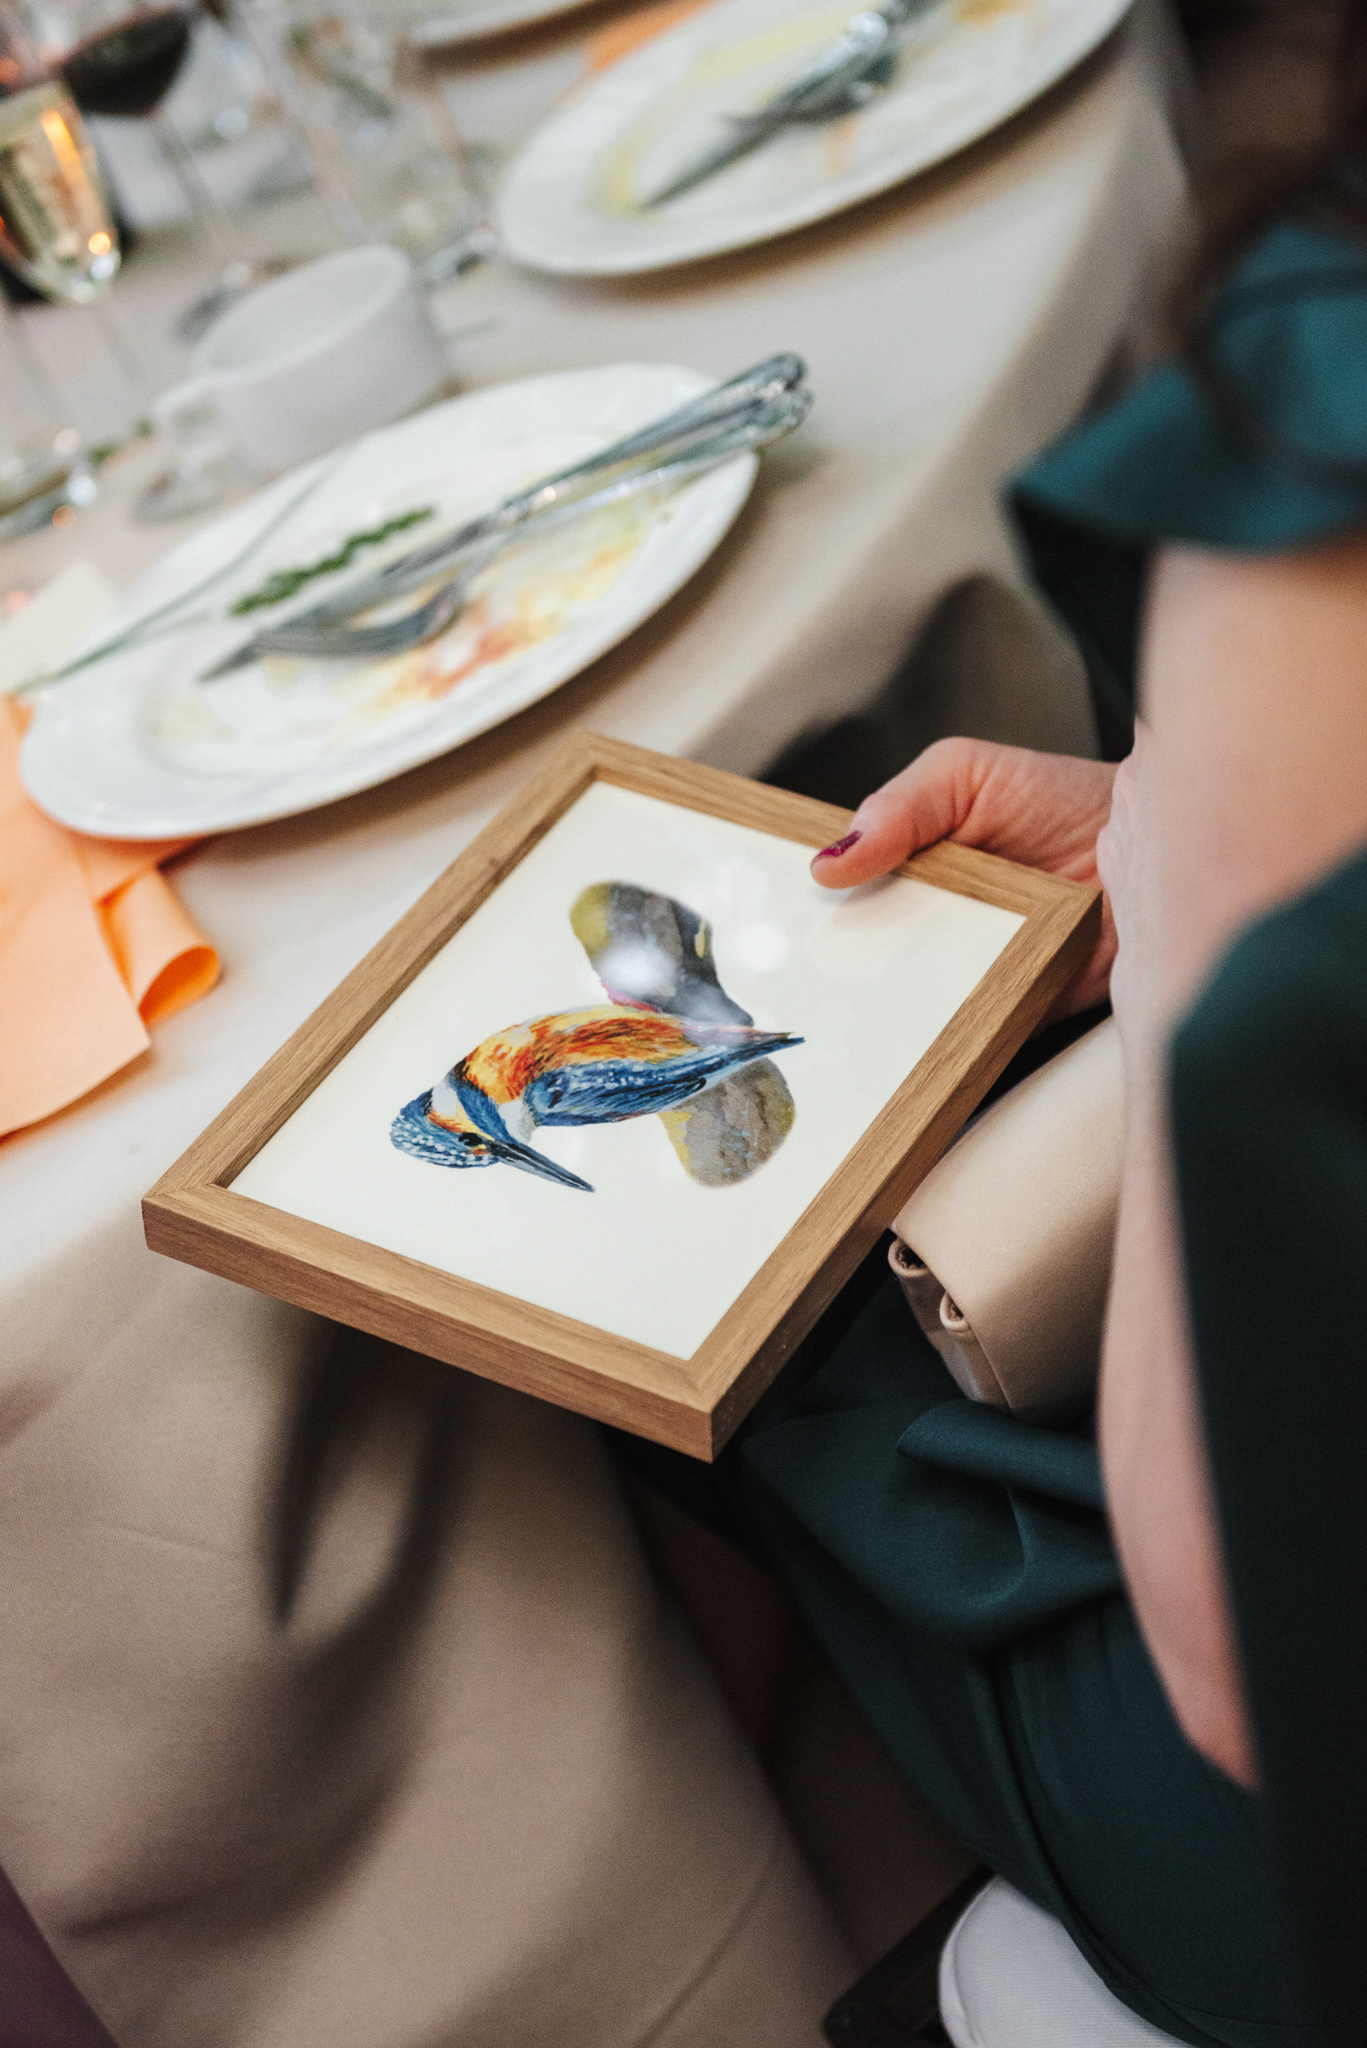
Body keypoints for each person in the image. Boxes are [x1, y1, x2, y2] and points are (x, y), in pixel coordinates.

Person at [614, 6, 1367, 2042]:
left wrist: (1193, 909)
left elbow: (1248, 1664)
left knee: (728, 1308)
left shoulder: (1325, 426)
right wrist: (1179, 823)